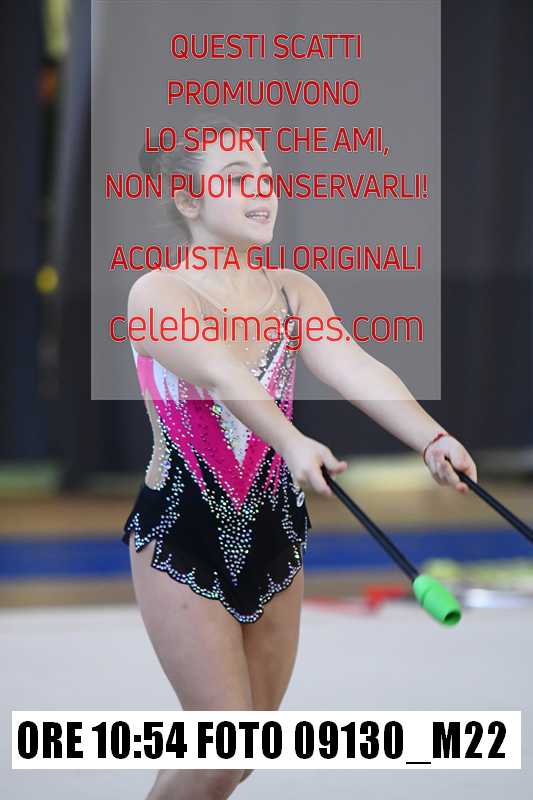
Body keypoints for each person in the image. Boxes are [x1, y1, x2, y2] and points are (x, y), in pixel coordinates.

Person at [122, 112, 477, 799]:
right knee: (218, 743)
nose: (261, 190)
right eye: (236, 177)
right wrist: (291, 442)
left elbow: (356, 367)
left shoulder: (293, 292)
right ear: (188, 199)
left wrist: (431, 439)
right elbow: (222, 376)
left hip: (275, 529)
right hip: (181, 530)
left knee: (242, 749)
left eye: (265, 174)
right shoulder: (157, 293)